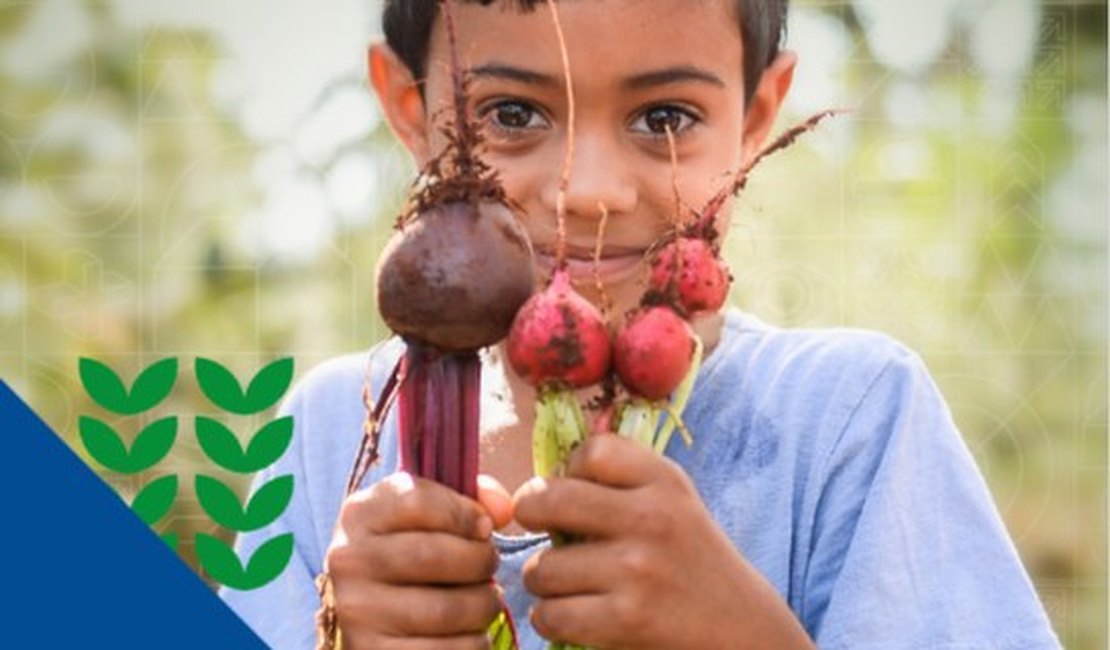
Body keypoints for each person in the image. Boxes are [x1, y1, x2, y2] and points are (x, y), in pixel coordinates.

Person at [223, 1, 1062, 648]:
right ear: (410, 110)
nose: (588, 189)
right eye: (512, 114)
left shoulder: (851, 418)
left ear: (756, 117)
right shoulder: (329, 434)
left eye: (664, 118)